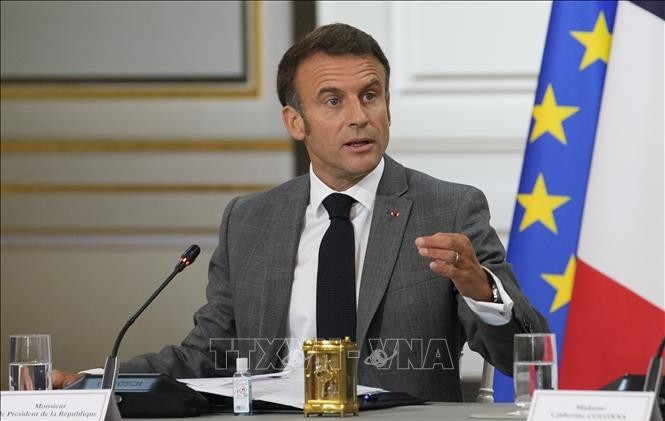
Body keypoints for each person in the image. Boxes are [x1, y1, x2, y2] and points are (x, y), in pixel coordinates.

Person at [55, 23, 548, 401]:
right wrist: (93, 381)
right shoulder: (250, 219)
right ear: (295, 121)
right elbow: (207, 354)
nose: (359, 116)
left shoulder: (449, 207)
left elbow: (522, 355)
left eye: (370, 95)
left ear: (388, 106)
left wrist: (481, 289)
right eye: (333, 101)